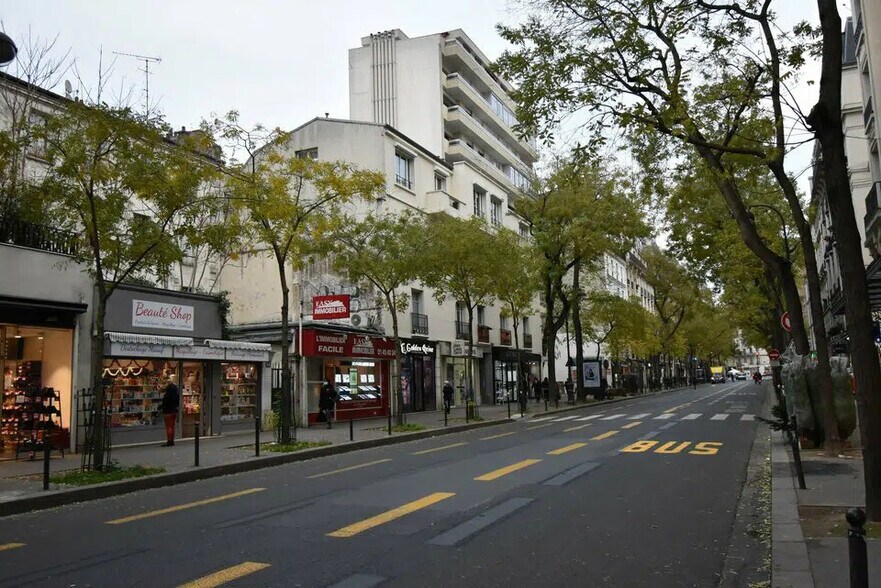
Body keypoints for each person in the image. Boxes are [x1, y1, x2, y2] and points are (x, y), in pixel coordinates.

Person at [159, 380, 179, 447]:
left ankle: (169, 441)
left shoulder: (167, 395)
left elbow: (164, 403)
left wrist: (161, 407)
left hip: (167, 412)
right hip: (174, 411)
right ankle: (172, 440)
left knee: (168, 427)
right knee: (172, 427)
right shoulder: (176, 395)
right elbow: (177, 403)